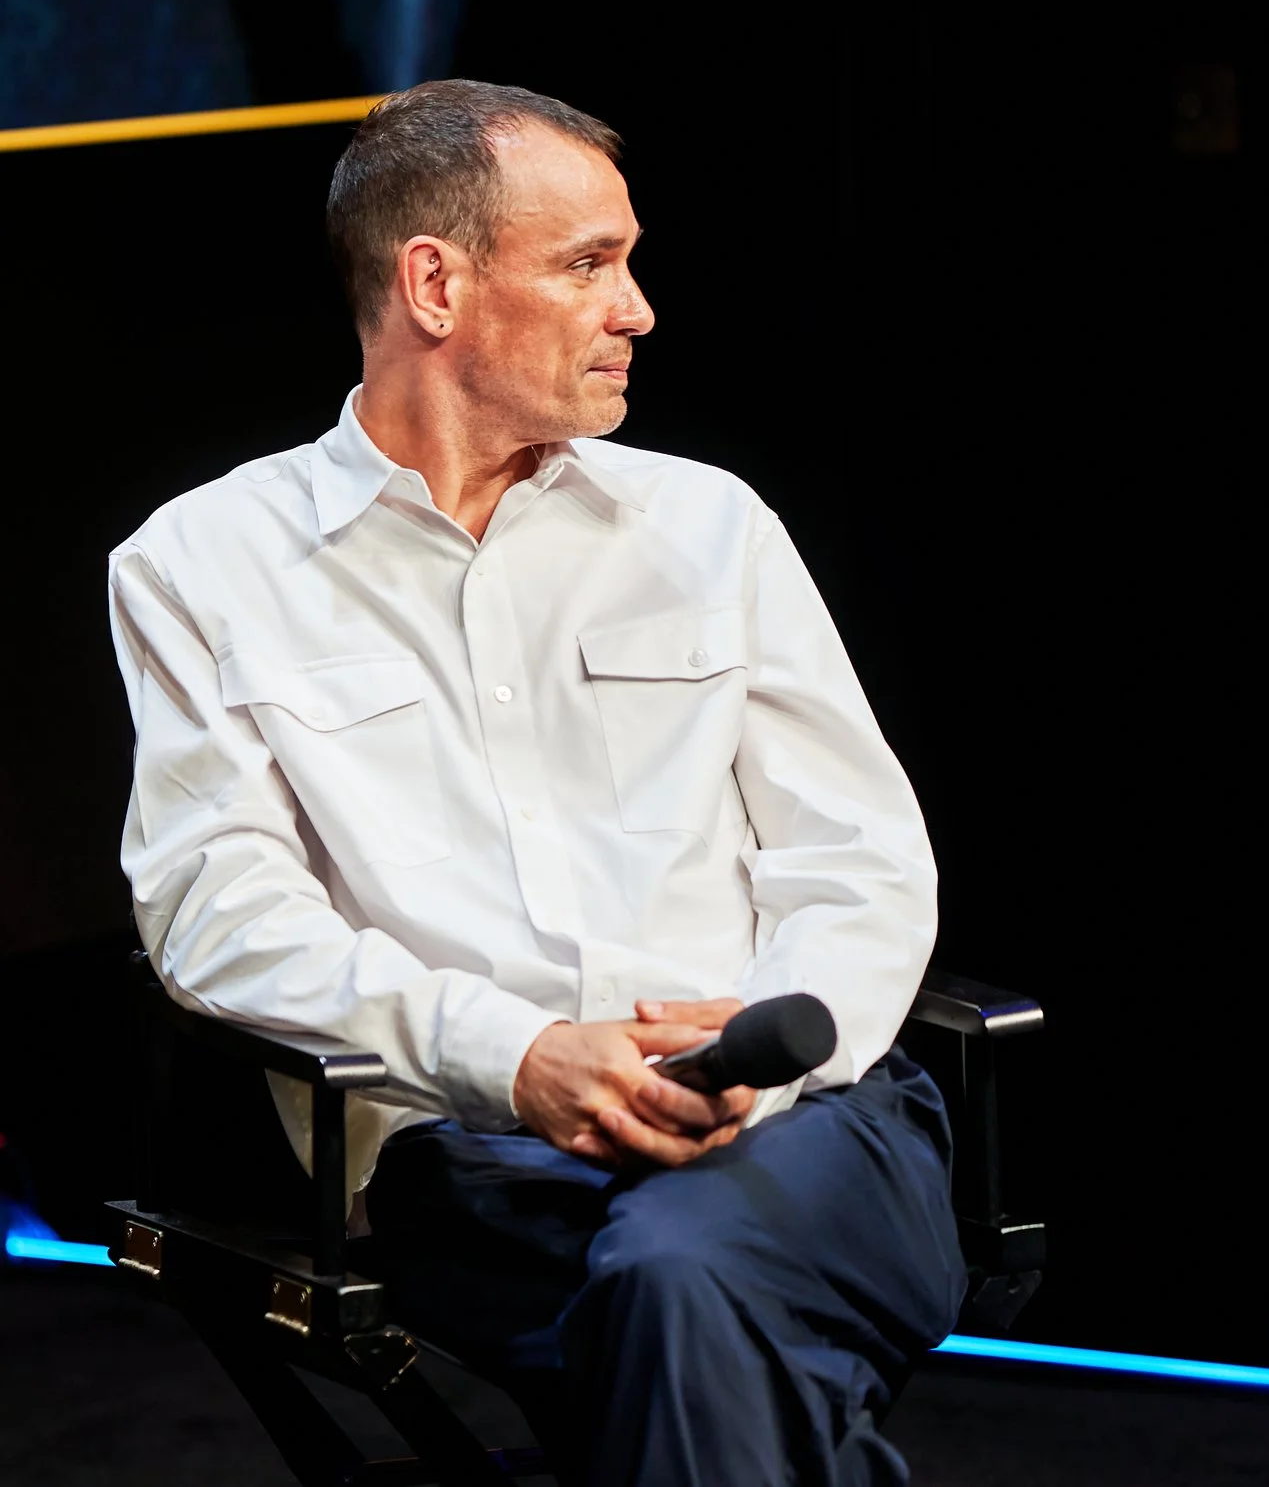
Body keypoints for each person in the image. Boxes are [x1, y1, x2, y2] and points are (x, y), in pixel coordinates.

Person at [108, 80, 961, 1486]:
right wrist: (508, 1052)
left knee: (681, 1282)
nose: (637, 310)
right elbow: (220, 915)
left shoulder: (710, 527)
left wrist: (770, 1040)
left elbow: (860, 861)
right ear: (434, 283)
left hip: (802, 1125)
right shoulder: (200, 569)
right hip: (481, 1159)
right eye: (587, 265)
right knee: (684, 1304)